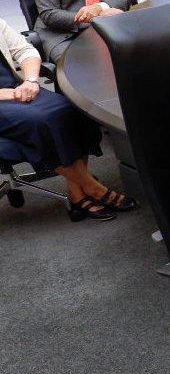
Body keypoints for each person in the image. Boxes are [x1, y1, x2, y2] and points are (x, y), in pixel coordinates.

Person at [0, 17, 136, 221]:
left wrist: (30, 81)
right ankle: (94, 188)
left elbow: (24, 51)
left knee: (72, 108)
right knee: (42, 121)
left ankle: (77, 192)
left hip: (20, 90)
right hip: (4, 99)